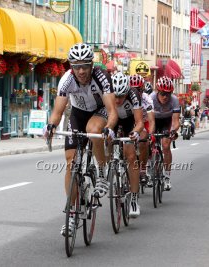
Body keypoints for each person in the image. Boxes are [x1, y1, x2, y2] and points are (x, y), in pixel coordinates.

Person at [44, 43, 118, 236]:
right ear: (71, 67)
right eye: (77, 66)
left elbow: (112, 112)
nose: (81, 71)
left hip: (99, 112)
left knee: (93, 129)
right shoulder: (66, 80)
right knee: (71, 163)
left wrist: (109, 129)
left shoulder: (101, 77)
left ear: (91, 65)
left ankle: (102, 171)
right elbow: (58, 112)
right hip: (77, 113)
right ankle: (72, 213)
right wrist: (51, 126)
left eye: (85, 66)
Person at [112, 72, 144, 217]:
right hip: (112, 119)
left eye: (121, 96)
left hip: (128, 120)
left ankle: (134, 199)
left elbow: (139, 123)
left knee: (131, 157)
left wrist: (136, 132)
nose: (118, 100)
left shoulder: (134, 95)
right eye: (115, 96)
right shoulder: (106, 93)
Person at [151, 76, 181, 190]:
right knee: (147, 141)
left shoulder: (174, 100)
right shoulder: (151, 98)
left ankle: (167, 177)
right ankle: (149, 167)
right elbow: (148, 119)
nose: (165, 97)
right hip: (154, 120)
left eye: (168, 94)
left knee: (165, 145)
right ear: (158, 91)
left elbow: (175, 121)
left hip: (167, 122)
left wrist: (173, 131)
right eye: (163, 93)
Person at [130, 74, 155, 185]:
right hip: (131, 121)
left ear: (142, 89)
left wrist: (150, 134)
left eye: (138, 90)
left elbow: (151, 121)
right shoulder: (125, 96)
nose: (135, 93)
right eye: (132, 90)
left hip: (144, 122)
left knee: (144, 139)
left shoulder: (147, 99)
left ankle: (143, 170)